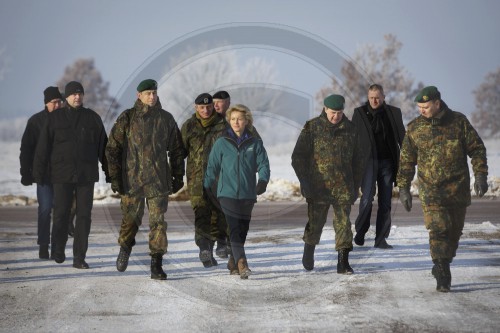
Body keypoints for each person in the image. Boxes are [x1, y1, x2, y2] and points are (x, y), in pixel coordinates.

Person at [397, 86, 488, 292]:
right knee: (438, 230)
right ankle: (442, 269)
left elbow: (477, 149)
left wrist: (481, 175)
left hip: (457, 188)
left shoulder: (459, 122)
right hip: (431, 191)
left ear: (438, 103)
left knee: (454, 233)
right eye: (419, 107)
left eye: (426, 106)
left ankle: (444, 260)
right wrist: (403, 188)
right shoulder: (414, 128)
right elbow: (406, 162)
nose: (422, 110)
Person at [106, 79, 185, 280]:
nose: (152, 96)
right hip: (131, 181)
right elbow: (112, 149)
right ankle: (125, 246)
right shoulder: (127, 118)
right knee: (131, 220)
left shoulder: (165, 119)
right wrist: (115, 177)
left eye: (154, 93)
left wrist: (178, 175)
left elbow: (176, 150)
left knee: (158, 223)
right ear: (138, 95)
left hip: (158, 181)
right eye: (148, 93)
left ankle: (156, 264)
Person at [33, 81, 110, 269]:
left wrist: (110, 173)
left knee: (84, 216)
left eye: (80, 94)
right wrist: (38, 173)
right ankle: (58, 248)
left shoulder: (93, 118)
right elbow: (43, 148)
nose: (77, 97)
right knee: (60, 214)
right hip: (61, 175)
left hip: (86, 175)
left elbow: (104, 149)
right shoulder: (55, 119)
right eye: (74, 94)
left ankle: (79, 257)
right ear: (66, 97)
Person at [292, 94, 363, 274]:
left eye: (339, 113)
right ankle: (309, 249)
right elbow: (298, 157)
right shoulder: (312, 127)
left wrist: (356, 186)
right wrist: (305, 182)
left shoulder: (351, 129)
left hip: (343, 186)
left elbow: (359, 161)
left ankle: (343, 262)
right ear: (325, 109)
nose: (335, 116)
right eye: (332, 112)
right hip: (318, 187)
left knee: (343, 224)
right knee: (316, 223)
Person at [204, 104, 270, 279]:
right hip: (227, 193)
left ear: (246, 120)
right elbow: (212, 167)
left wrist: (263, 180)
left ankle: (233, 260)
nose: (236, 122)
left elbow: (264, 164)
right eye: (233, 119)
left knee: (242, 229)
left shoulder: (255, 143)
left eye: (239, 119)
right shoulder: (221, 143)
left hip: (248, 194)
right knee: (233, 227)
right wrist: (208, 186)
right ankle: (242, 263)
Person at [352, 84, 406, 249]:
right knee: (367, 199)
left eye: (377, 97)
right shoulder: (359, 113)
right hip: (367, 163)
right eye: (371, 98)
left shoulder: (394, 113)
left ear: (383, 97)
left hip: (387, 163)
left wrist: (410, 158)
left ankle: (381, 239)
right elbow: (352, 139)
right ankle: (361, 231)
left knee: (385, 202)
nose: (374, 101)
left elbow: (402, 137)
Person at [181, 93, 227, 267]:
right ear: (196, 108)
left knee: (218, 215)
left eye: (208, 107)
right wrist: (175, 174)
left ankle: (214, 246)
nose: (206, 110)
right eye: (202, 107)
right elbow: (180, 153)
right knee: (201, 214)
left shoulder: (223, 125)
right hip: (196, 181)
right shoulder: (189, 126)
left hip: (219, 180)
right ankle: (204, 248)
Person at [20, 86, 63, 259]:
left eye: (60, 101)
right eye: (55, 102)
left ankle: (57, 247)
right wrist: (25, 173)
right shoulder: (35, 122)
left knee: (61, 211)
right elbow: (26, 150)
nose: (58, 105)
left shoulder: (66, 120)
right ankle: (44, 245)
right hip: (43, 175)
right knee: (45, 209)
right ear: (47, 103)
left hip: (62, 174)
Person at [210, 90, 232, 258]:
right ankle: (220, 242)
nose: (215, 105)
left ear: (227, 102)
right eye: (214, 102)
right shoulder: (208, 121)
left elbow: (255, 142)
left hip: (232, 175)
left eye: (219, 102)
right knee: (215, 211)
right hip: (213, 174)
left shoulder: (237, 119)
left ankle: (231, 243)